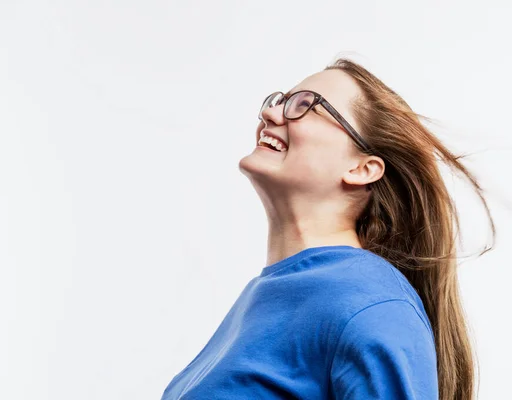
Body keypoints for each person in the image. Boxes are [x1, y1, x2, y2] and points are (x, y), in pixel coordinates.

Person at [161, 58, 495, 400]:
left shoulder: (370, 302)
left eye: (305, 105)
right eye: (279, 101)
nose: (272, 114)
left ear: (362, 168)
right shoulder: (264, 296)